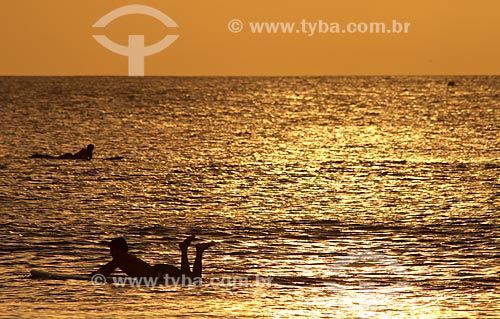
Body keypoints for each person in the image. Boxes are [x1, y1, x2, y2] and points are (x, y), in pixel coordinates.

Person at [93, 236, 215, 280]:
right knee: (190, 277)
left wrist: (92, 277)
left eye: (112, 250)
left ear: (119, 249)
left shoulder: (121, 258)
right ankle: (186, 250)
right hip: (158, 272)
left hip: (158, 274)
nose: (110, 252)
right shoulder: (121, 259)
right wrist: (94, 273)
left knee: (192, 279)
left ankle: (197, 251)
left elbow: (105, 272)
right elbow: (106, 267)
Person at [30, 144, 94, 160]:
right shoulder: (84, 151)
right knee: (54, 158)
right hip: (70, 156)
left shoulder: (88, 153)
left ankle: (38, 156)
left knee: (54, 158)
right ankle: (38, 156)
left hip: (71, 156)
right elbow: (77, 156)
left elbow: (90, 158)